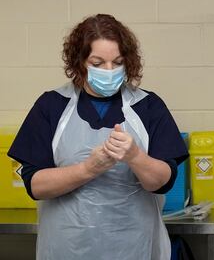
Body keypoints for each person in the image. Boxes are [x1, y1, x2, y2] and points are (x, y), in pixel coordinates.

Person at [8, 14, 188, 260]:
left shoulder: (148, 106)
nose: (109, 71)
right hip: (67, 248)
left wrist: (135, 156)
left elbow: (163, 181)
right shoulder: (51, 106)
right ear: (80, 61)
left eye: (117, 62)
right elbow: (35, 186)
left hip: (134, 248)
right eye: (98, 62)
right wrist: (88, 169)